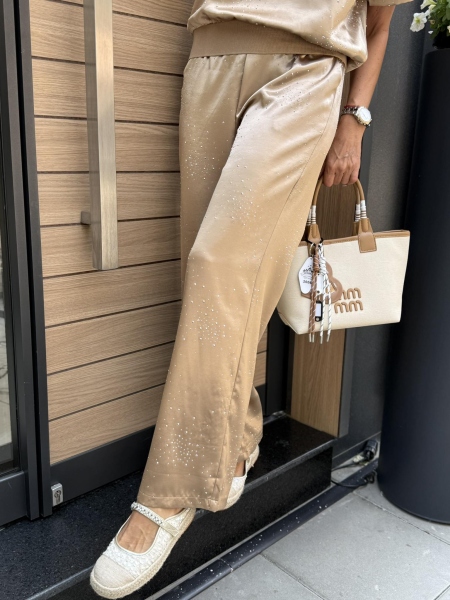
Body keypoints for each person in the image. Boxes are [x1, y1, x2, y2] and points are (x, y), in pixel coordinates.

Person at [90, 1, 412, 597]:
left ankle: (173, 491)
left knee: (218, 266)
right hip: (209, 60)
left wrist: (354, 120)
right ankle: (237, 441)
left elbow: (379, 21)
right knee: (207, 278)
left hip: (305, 71)